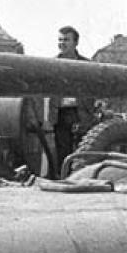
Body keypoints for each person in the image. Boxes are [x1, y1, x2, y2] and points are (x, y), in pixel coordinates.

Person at [53, 26, 94, 174]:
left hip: (80, 114)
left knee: (82, 152)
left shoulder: (87, 65)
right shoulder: (51, 65)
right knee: (62, 151)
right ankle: (62, 177)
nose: (62, 43)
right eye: (60, 40)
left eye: (66, 40)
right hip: (59, 114)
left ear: (75, 43)